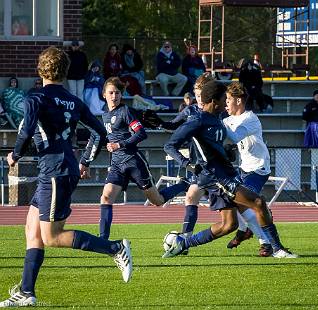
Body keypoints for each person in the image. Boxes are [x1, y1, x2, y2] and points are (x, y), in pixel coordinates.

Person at [0, 47, 133, 308]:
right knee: (32, 229)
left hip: (54, 172)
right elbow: (99, 132)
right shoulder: (73, 100)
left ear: (40, 70)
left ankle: (115, 248)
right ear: (65, 71)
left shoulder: (35, 96)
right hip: (60, 169)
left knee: (51, 236)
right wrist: (84, 161)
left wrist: (14, 155)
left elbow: (26, 130)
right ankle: (26, 291)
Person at [163, 81, 297, 259]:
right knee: (258, 204)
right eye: (223, 99)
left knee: (229, 224)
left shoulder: (228, 119)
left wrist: (224, 151)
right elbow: (171, 144)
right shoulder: (202, 120)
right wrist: (187, 163)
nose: (225, 102)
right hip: (218, 177)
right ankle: (275, 248)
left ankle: (183, 243)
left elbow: (219, 141)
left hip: (240, 170)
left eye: (228, 99)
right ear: (214, 101)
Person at [96, 77, 189, 240]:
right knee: (105, 197)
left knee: (157, 201)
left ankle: (183, 184)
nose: (114, 96)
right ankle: (103, 240)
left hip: (133, 162)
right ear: (104, 94)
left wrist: (119, 145)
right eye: (111, 93)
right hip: (117, 164)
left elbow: (141, 134)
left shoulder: (126, 111)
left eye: (117, 93)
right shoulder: (105, 115)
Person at [223, 81, 273, 255]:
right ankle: (245, 230)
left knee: (242, 201)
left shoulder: (251, 118)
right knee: (231, 201)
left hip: (258, 168)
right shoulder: (227, 119)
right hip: (244, 168)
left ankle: (266, 243)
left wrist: (218, 125)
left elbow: (235, 136)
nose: (225, 103)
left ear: (238, 100)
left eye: (228, 100)